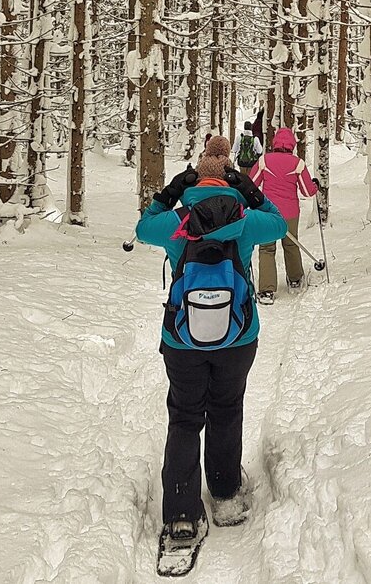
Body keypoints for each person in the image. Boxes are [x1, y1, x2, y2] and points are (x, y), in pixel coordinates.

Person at [135, 136, 287, 562]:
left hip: (181, 338)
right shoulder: (245, 216)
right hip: (238, 336)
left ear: (196, 177)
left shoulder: (176, 219)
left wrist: (167, 194)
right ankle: (224, 493)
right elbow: (278, 224)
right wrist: (250, 190)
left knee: (185, 417)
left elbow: (143, 228)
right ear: (227, 179)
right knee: (226, 407)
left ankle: (181, 515)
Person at [249, 127, 319, 303]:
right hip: (290, 213)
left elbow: (250, 185)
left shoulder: (264, 160)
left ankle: (266, 291)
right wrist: (314, 185)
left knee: (266, 248)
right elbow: (306, 191)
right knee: (291, 244)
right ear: (292, 145)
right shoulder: (297, 163)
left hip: (267, 213)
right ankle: (295, 280)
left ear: (275, 143)